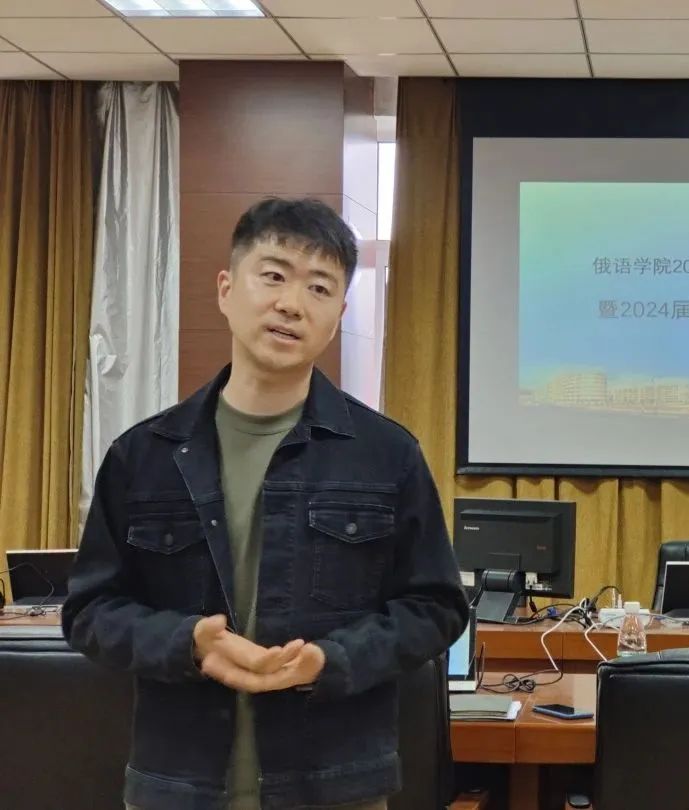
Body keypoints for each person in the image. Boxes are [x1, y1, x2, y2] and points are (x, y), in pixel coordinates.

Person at [62, 198, 468, 810]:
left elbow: (435, 607)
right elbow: (90, 610)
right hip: (179, 786)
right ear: (226, 289)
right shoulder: (143, 455)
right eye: (273, 275)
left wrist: (333, 660)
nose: (291, 303)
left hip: (334, 787)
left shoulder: (387, 455)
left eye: (319, 287)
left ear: (339, 315)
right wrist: (188, 642)